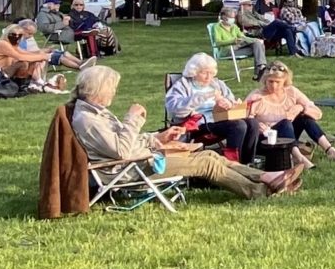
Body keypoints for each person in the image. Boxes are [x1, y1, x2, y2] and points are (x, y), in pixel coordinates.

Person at [69, 64, 293, 199]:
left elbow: (122, 142)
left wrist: (158, 137)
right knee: (206, 164)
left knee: (209, 155)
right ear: (98, 90)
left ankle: (266, 177)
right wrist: (131, 119)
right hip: (130, 169)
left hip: (139, 160)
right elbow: (121, 150)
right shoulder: (88, 120)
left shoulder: (95, 113)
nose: (113, 94)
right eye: (111, 89)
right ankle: (259, 191)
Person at [164, 53, 261, 162]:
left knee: (252, 123)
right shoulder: (182, 85)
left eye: (211, 73)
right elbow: (174, 109)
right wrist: (199, 97)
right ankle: (231, 163)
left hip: (221, 119)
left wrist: (228, 103)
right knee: (238, 126)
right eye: (204, 73)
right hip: (198, 124)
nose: (208, 77)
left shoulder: (217, 83)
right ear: (194, 71)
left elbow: (232, 101)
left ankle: (248, 162)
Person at [246, 61, 335, 164]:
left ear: (284, 81)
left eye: (278, 82)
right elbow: (242, 117)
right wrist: (256, 124)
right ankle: (298, 157)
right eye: (271, 81)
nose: (274, 86)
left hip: (288, 135)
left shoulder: (291, 92)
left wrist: (301, 108)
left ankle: (329, 149)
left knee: (304, 118)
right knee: (286, 123)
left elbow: (317, 113)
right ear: (265, 80)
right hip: (266, 138)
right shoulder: (257, 95)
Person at [0, 21, 69, 92]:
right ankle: (22, 86)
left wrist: (42, 55)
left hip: (4, 70)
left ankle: (28, 84)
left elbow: (25, 53)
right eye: (14, 35)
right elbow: (20, 57)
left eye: (20, 35)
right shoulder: (3, 44)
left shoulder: (12, 44)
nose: (17, 37)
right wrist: (43, 57)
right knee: (23, 63)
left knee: (30, 60)